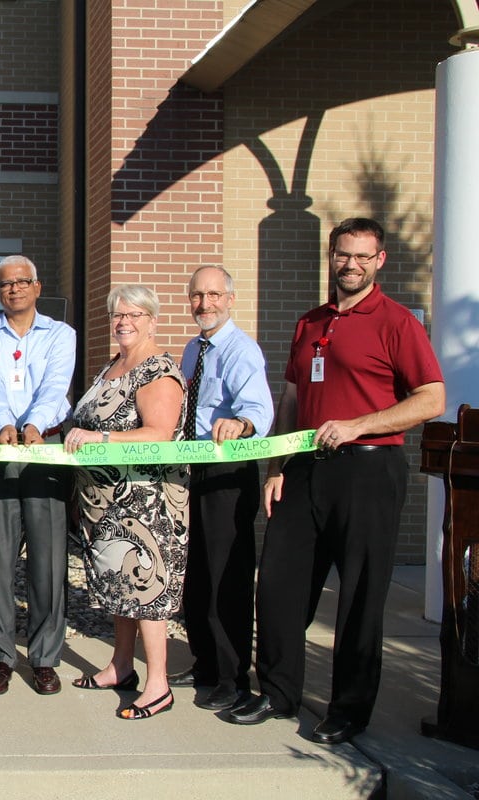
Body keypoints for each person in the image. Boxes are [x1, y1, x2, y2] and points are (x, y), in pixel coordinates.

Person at [228, 218, 445, 745]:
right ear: (331, 255)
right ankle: (278, 693)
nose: (351, 265)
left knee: (360, 595)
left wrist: (358, 425)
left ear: (380, 260)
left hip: (369, 469)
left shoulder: (395, 322)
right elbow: (293, 400)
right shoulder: (310, 322)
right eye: (343, 255)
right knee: (279, 583)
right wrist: (276, 468)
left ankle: (349, 709)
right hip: (305, 468)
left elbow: (431, 398)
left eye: (362, 257)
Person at [64, 284, 188, 721]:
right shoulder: (114, 365)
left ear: (152, 320)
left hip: (144, 503)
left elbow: (158, 433)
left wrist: (101, 438)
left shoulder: (157, 370)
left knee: (146, 591)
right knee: (119, 587)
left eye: (134, 315)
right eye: (117, 315)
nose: (124, 322)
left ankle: (159, 685)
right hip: (104, 503)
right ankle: (121, 666)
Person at [169, 266, 274, 711]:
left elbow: (257, 409)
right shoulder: (194, 349)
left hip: (227, 474)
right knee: (196, 572)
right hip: (193, 469)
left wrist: (241, 422)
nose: (205, 304)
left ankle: (234, 679)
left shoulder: (240, 349)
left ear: (230, 299)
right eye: (197, 295)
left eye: (214, 295)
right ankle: (206, 662)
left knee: (225, 576)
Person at [0, 255, 75, 697]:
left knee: (48, 565)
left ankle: (45, 659)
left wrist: (34, 424)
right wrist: (3, 424)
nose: (13, 289)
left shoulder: (61, 334)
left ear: (37, 286)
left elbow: (56, 385)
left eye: (22, 282)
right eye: (5, 285)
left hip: (45, 450)